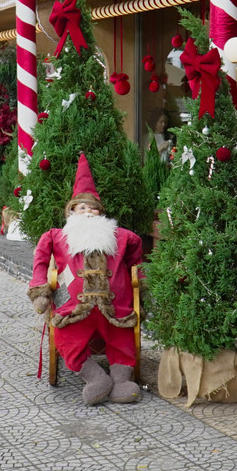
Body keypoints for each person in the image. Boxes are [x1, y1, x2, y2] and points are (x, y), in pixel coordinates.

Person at [27, 153, 145, 404]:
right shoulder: (56, 236)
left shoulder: (119, 235)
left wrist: (138, 279)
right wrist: (40, 289)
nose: (89, 212)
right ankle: (95, 378)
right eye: (83, 207)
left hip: (116, 306)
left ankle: (121, 380)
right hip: (74, 306)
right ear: (72, 212)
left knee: (121, 335)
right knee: (66, 338)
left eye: (93, 208)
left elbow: (137, 250)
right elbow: (40, 261)